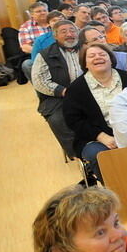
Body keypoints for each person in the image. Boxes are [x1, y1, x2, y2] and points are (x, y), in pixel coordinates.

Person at [62, 43, 127, 182]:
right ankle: (117, 193)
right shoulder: (76, 89)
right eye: (92, 56)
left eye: (102, 54)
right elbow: (74, 120)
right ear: (85, 63)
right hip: (96, 138)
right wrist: (101, 136)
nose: (98, 58)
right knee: (100, 156)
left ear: (111, 59)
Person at [31, 19, 82, 158]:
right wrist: (63, 91)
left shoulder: (87, 49)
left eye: (72, 30)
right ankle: (79, 155)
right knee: (57, 119)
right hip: (59, 97)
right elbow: (40, 81)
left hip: (87, 92)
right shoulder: (45, 55)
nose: (69, 34)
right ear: (55, 36)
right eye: (63, 32)